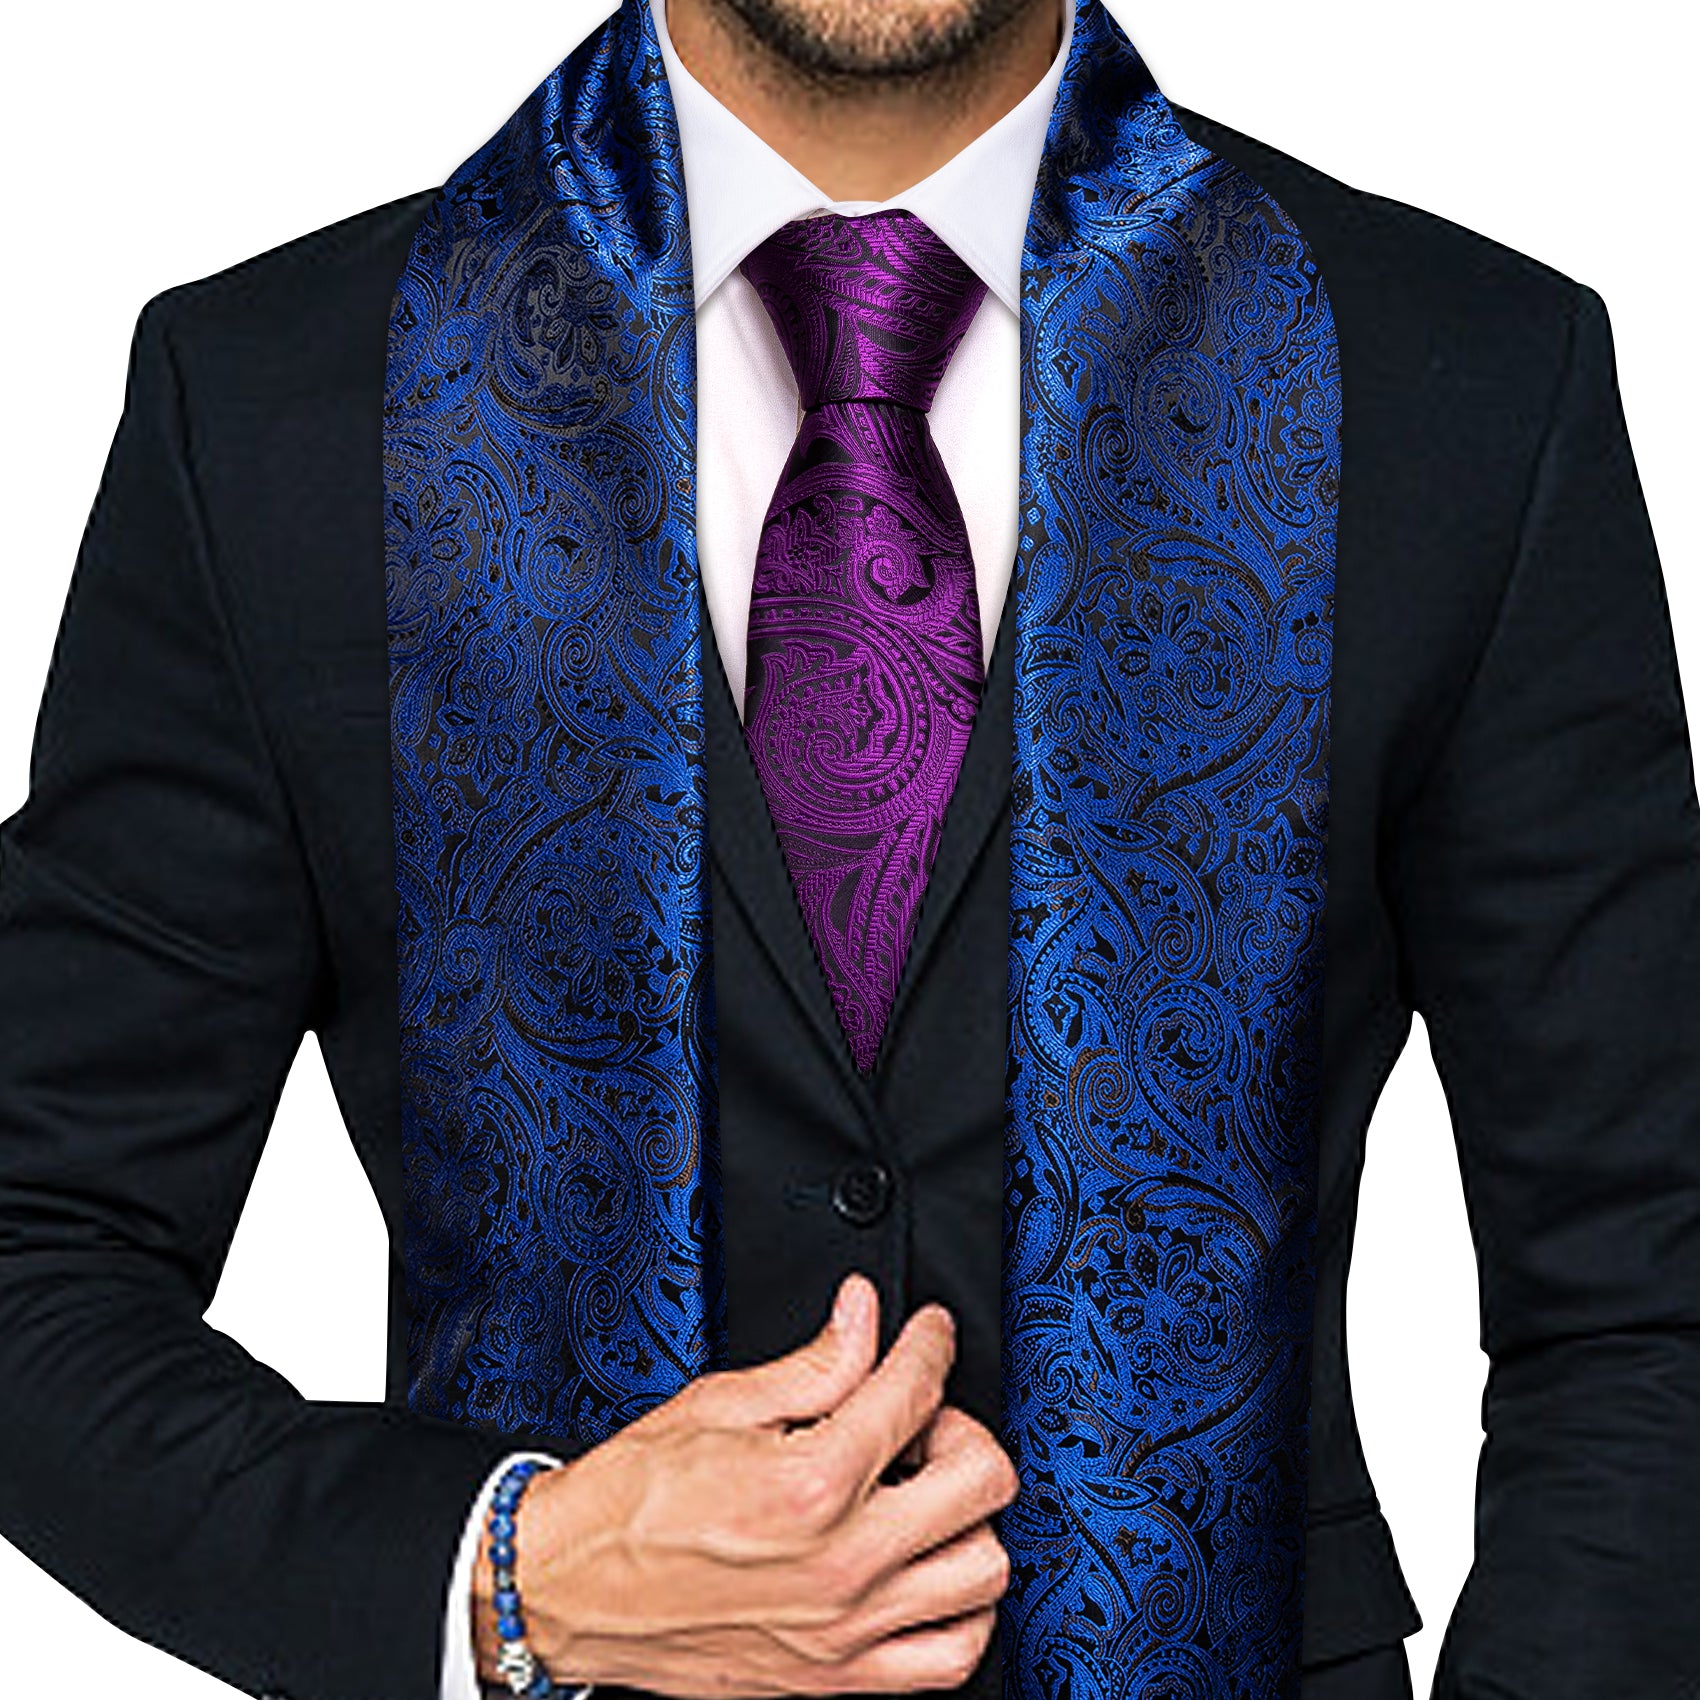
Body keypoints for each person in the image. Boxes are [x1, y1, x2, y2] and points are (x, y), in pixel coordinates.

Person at [1, 0, 1696, 1697]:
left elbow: (1647, 1280)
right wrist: (513, 1573)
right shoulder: (280, 408)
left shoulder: (1460, 384)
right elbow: (33, 1247)